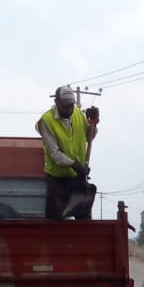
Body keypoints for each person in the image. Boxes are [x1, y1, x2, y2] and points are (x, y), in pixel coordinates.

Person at [36, 85, 99, 220]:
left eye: (71, 105)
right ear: (57, 102)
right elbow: (55, 153)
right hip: (57, 180)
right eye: (65, 106)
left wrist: (93, 124)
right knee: (55, 221)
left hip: (78, 178)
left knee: (84, 218)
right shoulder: (46, 121)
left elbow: (90, 137)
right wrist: (74, 164)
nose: (69, 109)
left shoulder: (78, 114)